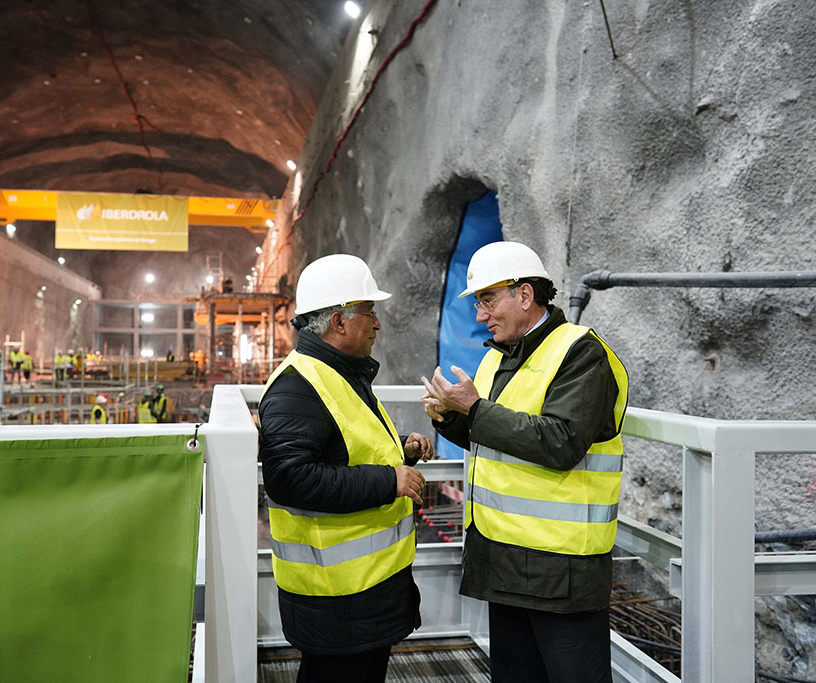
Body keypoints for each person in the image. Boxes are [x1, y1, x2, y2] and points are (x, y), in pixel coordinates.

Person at [420, 241, 628, 683]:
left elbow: (562, 442)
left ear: (525, 295)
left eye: (487, 299)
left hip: (561, 570)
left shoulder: (580, 353)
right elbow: (490, 434)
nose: (480, 315)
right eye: (478, 302)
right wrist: (450, 417)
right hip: (505, 561)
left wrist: (474, 410)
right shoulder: (499, 355)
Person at [259, 253, 434, 683]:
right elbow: (290, 479)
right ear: (339, 321)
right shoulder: (297, 388)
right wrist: (389, 479)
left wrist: (402, 455)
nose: (377, 324)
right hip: (336, 597)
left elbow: (346, 451)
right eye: (369, 312)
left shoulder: (337, 375)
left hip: (365, 589)